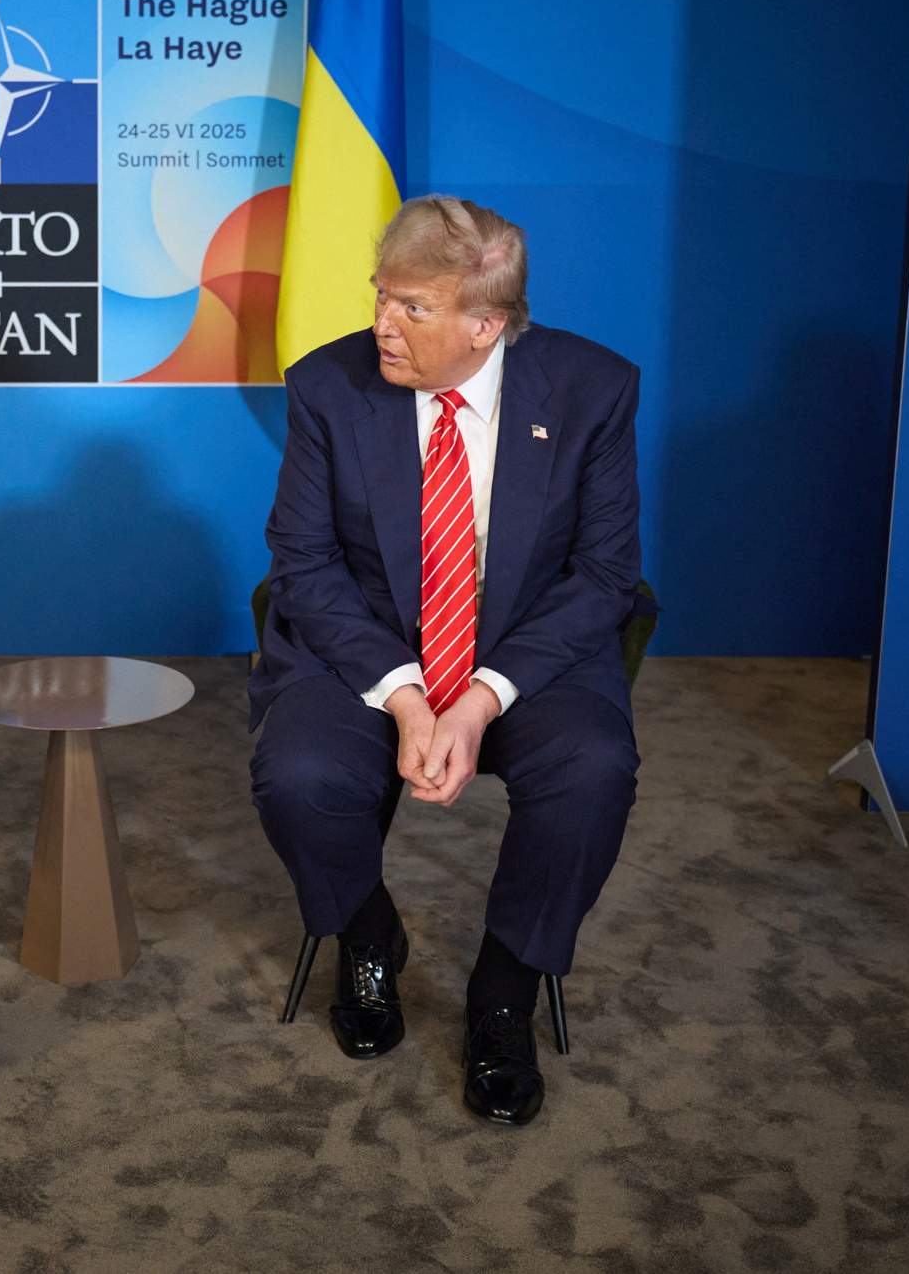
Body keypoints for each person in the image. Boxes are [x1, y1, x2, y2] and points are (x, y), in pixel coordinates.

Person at [249, 196, 645, 1126]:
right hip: (371, 646)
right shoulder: (327, 388)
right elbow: (302, 564)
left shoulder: (594, 390)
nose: (382, 324)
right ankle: (371, 934)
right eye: (381, 296)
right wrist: (405, 696)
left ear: (486, 323)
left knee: (593, 771)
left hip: (524, 654)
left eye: (412, 308)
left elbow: (603, 575)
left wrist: (477, 700)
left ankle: (503, 991)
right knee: (297, 773)